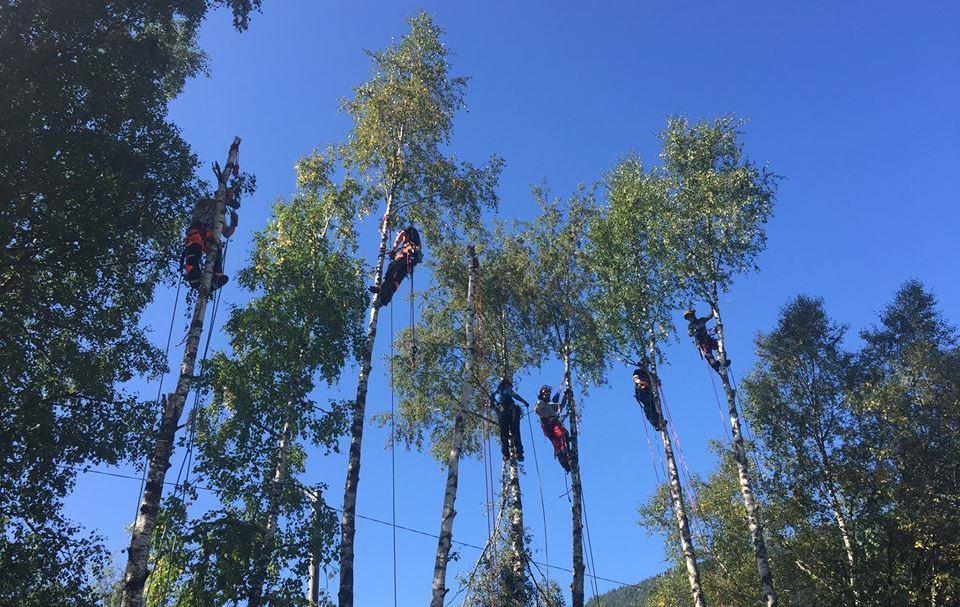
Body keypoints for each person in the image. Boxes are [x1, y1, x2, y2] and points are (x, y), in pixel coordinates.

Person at [182, 198, 238, 291]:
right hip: (197, 231)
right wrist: (225, 200)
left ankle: (216, 276)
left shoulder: (221, 216)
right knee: (195, 247)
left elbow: (226, 233)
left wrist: (234, 223)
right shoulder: (204, 202)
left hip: (210, 237)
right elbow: (201, 202)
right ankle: (193, 273)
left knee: (217, 249)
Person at [370, 225, 423, 307]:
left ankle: (381, 289)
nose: (402, 241)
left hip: (408, 256)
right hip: (411, 261)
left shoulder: (408, 232)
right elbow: (418, 247)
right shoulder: (414, 240)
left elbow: (399, 238)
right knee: (397, 280)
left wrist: (394, 249)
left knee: (392, 267)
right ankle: (384, 300)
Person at [535, 384, 571, 472]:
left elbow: (560, 406)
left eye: (548, 394)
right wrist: (541, 405)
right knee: (561, 435)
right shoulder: (540, 403)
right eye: (545, 394)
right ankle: (565, 456)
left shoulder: (550, 406)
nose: (547, 395)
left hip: (552, 425)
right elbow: (537, 411)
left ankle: (565, 460)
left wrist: (565, 396)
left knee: (562, 436)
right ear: (542, 395)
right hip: (549, 425)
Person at [490, 378, 527, 462]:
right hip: (510, 413)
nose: (510, 387)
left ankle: (508, 454)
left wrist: (496, 409)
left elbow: (491, 405)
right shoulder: (505, 391)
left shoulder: (495, 394)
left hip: (505, 414)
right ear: (505, 385)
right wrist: (524, 402)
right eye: (509, 385)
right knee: (514, 433)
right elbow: (516, 396)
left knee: (506, 435)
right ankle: (517, 453)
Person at [684, 307, 730, 373]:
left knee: (719, 346)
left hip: (708, 338)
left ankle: (724, 360)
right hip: (702, 342)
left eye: (689, 317)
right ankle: (715, 365)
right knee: (708, 355)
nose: (689, 319)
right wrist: (695, 330)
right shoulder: (690, 326)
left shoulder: (702, 320)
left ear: (693, 315)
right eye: (688, 318)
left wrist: (713, 308)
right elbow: (690, 334)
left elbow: (710, 316)